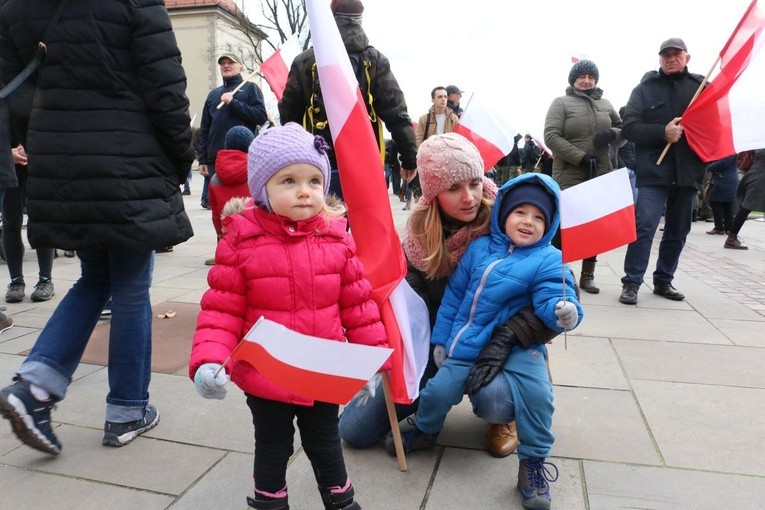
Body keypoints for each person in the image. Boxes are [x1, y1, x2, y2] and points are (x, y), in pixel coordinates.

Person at [0, 0, 194, 455]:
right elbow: (166, 88)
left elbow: (13, 91)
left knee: (95, 278)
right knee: (129, 283)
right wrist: (180, 158)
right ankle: (127, 408)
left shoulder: (14, 6)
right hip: (126, 151)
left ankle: (34, 387)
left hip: (59, 155)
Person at [189, 123, 389, 510]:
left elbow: (359, 306)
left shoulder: (336, 239)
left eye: (315, 180)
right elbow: (222, 310)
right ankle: (269, 502)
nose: (304, 190)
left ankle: (341, 501)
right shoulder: (241, 240)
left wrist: (369, 360)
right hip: (268, 374)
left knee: (325, 442)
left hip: (320, 371)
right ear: (263, 187)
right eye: (289, 181)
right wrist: (211, 360)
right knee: (272, 445)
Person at [339, 133, 561, 460]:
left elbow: (555, 298)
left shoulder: (513, 218)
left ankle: (506, 418)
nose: (469, 197)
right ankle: (430, 414)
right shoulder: (418, 238)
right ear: (433, 193)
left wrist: (508, 337)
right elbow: (409, 307)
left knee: (494, 400)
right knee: (353, 431)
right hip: (443, 341)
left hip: (505, 343)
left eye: (474, 182)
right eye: (454, 188)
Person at [386, 170, 582, 510]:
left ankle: (533, 463)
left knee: (538, 395)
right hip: (468, 340)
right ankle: (426, 428)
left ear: (549, 225)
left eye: (539, 217)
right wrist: (441, 339)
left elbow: (554, 296)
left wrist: (564, 310)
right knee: (437, 390)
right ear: (504, 212)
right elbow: (454, 298)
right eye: (520, 212)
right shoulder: (478, 249)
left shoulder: (549, 258)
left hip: (520, 348)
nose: (527, 222)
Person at [279, 0, 418, 201]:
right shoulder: (375, 61)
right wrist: (409, 160)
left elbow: (288, 116)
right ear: (360, 19)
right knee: (363, 226)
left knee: (325, 224)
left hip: (318, 159)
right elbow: (397, 114)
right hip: (364, 159)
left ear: (331, 18)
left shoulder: (305, 61)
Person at [619, 38, 706, 305]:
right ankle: (632, 282)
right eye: (665, 55)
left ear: (687, 58)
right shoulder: (644, 89)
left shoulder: (701, 87)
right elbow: (629, 128)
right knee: (644, 225)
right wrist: (662, 132)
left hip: (688, 171)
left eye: (676, 54)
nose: (671, 58)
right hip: (653, 171)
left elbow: (716, 125)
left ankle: (663, 280)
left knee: (678, 230)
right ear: (659, 59)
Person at [544, 59, 623, 294]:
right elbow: (551, 136)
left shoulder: (606, 103)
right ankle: (559, 273)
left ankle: (588, 275)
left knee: (594, 227)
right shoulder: (561, 103)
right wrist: (579, 156)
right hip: (569, 173)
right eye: (582, 76)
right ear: (573, 80)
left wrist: (613, 133)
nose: (587, 80)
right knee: (564, 226)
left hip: (600, 172)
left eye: (591, 77)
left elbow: (624, 130)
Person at [197, 53, 267, 209]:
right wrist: (202, 159)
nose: (226, 65)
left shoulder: (250, 89)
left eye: (230, 62)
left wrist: (233, 103)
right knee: (218, 207)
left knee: (244, 206)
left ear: (240, 67)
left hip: (243, 157)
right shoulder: (213, 95)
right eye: (222, 63)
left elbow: (260, 116)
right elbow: (205, 129)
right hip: (216, 158)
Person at [3, 142, 56, 303]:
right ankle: (16, 281)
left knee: (41, 217)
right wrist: (6, 152)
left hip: (39, 157)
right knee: (10, 221)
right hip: (7, 161)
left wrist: (32, 146)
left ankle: (45, 280)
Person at [405, 86, 460, 210]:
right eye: (440, 96)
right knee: (430, 191)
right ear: (433, 100)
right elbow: (418, 139)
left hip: (448, 160)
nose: (443, 99)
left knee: (446, 190)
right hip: (431, 160)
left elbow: (458, 139)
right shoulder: (425, 119)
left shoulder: (453, 119)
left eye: (445, 96)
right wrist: (422, 155)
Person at [208, 126, 255, 238]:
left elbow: (215, 214)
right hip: (253, 232)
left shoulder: (215, 179)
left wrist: (220, 233)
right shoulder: (255, 174)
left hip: (227, 233)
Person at [724, 149, 765, 250]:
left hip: (757, 175)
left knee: (746, 207)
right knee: (746, 207)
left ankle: (731, 237)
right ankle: (731, 238)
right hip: (759, 179)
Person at [704, 154, 738, 236]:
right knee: (727, 205)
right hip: (728, 179)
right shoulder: (732, 149)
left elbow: (723, 163)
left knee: (715, 201)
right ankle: (728, 228)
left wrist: (709, 166)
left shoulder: (729, 150)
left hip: (724, 180)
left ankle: (719, 227)